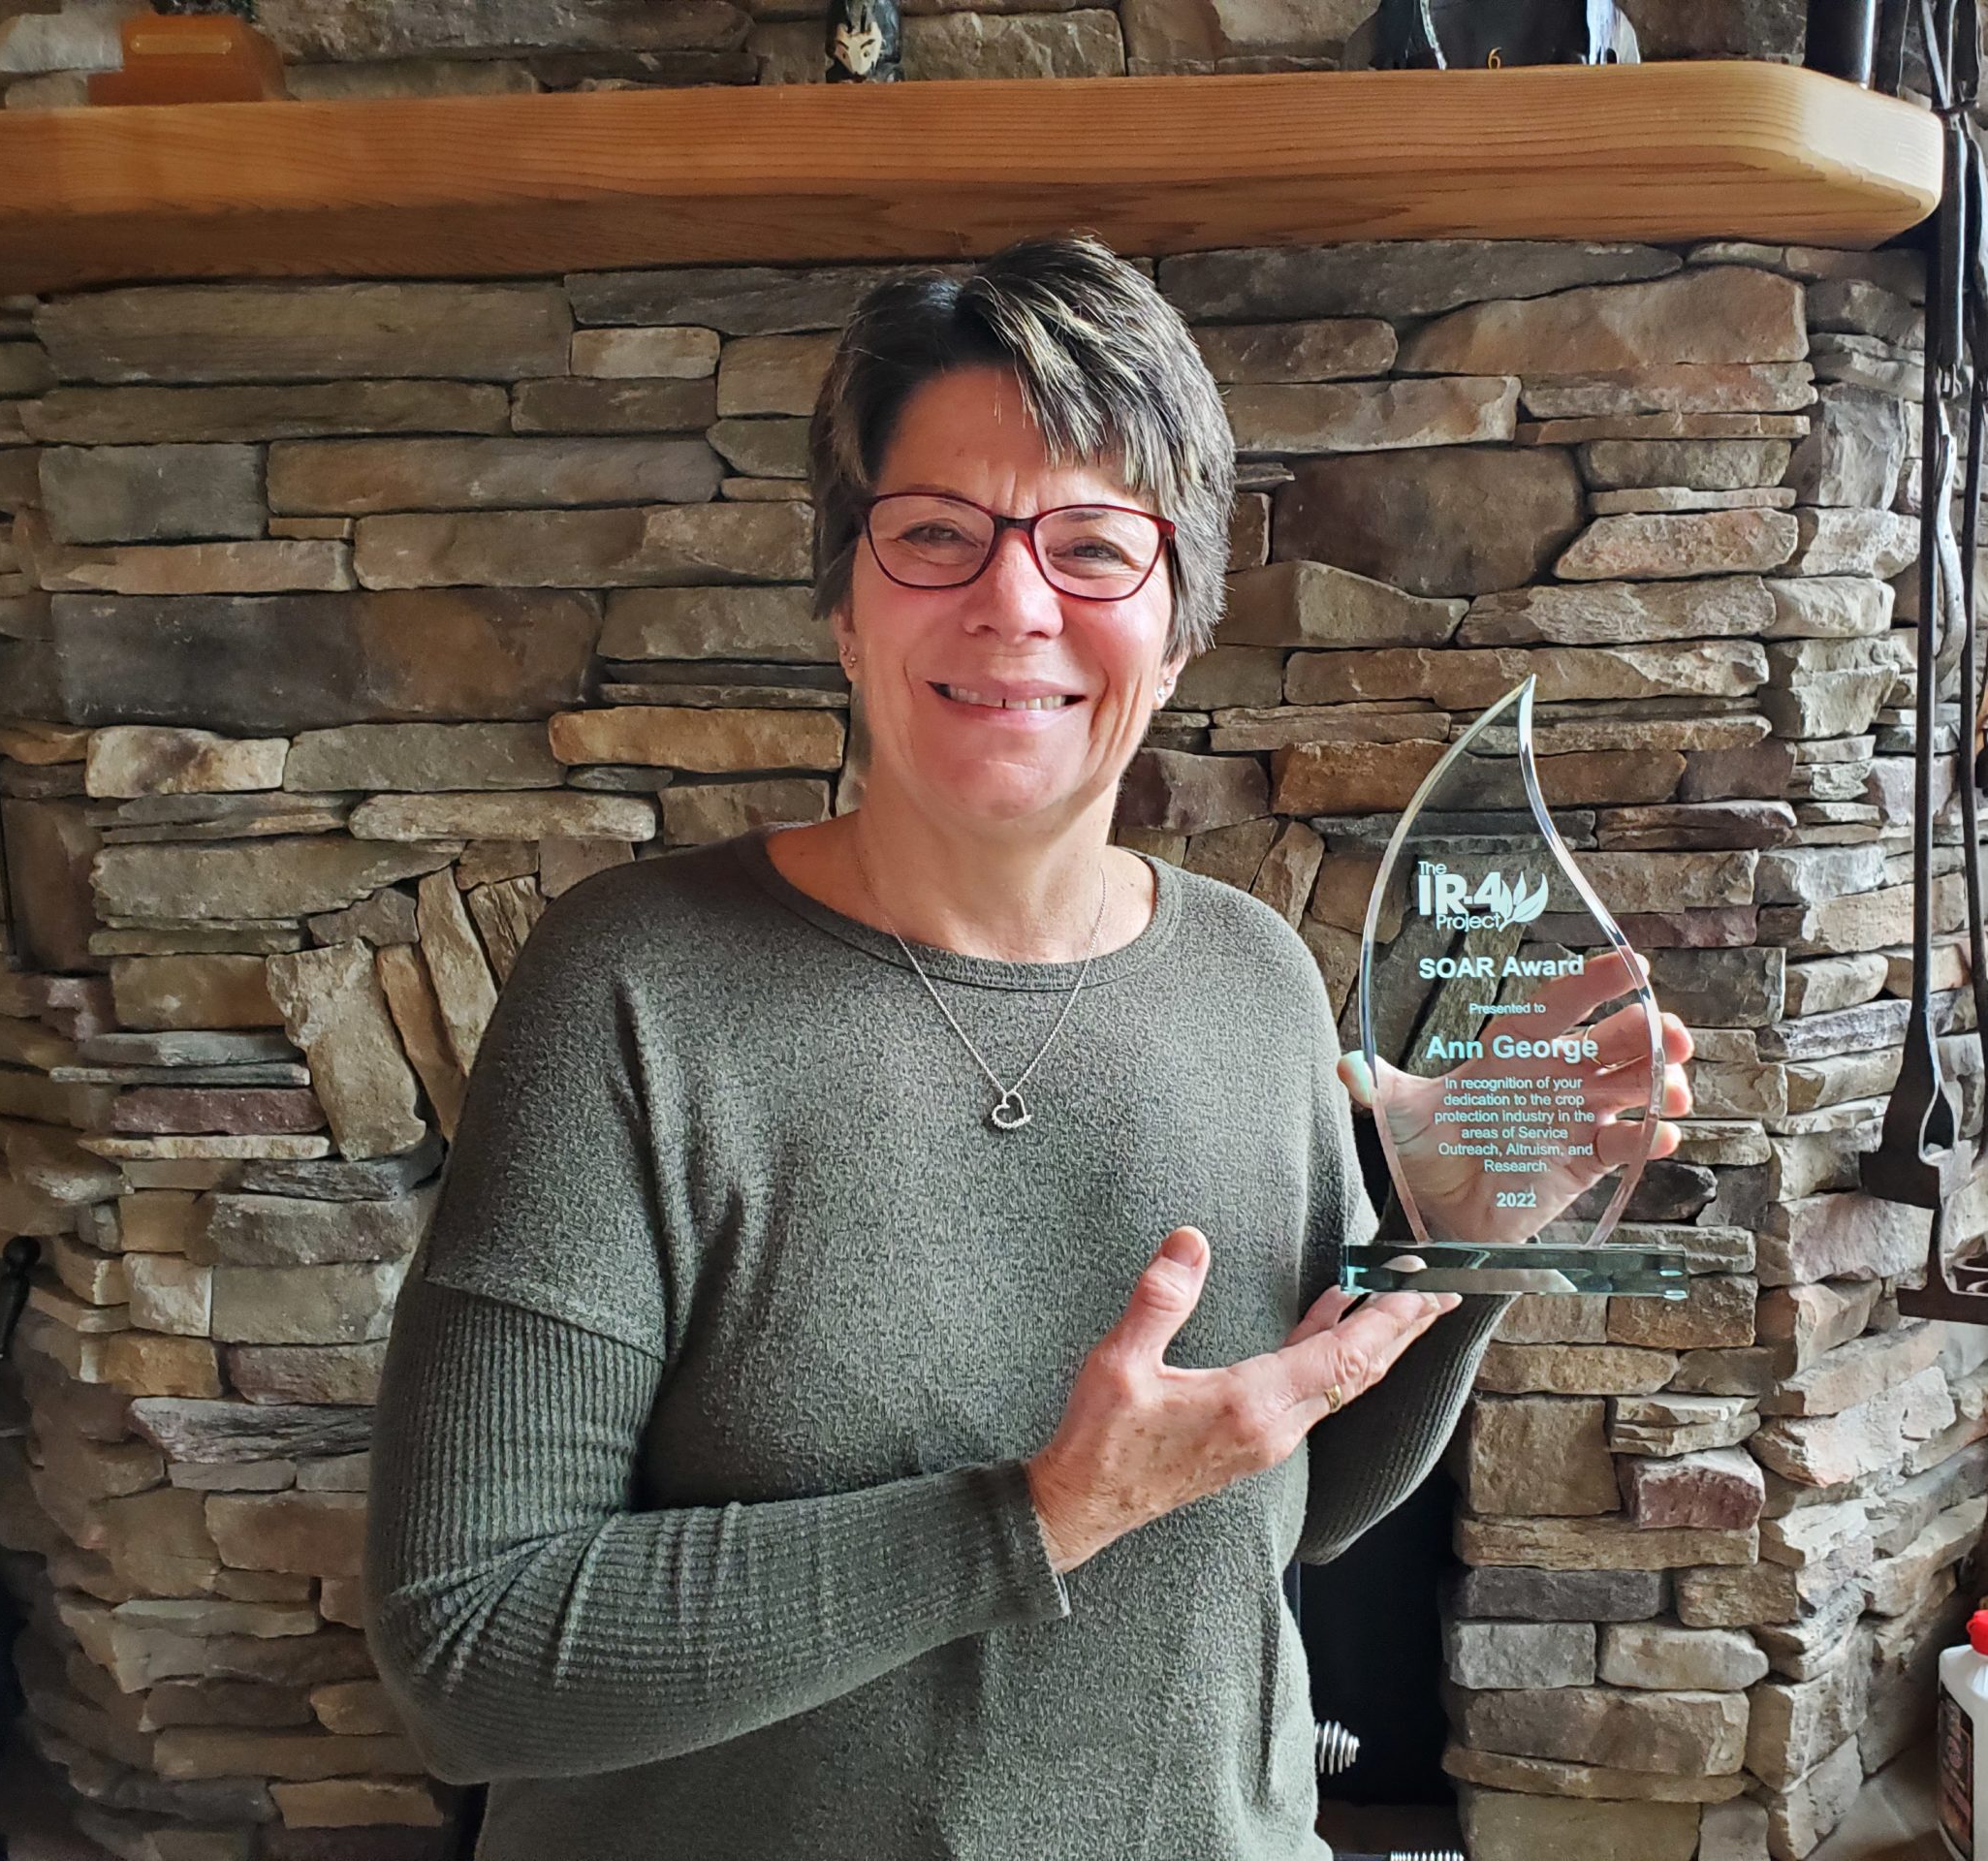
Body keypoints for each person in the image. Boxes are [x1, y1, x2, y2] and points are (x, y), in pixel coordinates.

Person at [363, 230, 1694, 1859]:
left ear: (1181, 622)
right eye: (935, 535)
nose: (1013, 603)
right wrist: (1047, 1511)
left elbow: (1278, 1510)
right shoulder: (633, 992)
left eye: (1091, 546)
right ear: (843, 605)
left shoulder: (1260, 981)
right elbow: (469, 1653)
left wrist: (1457, 1251)